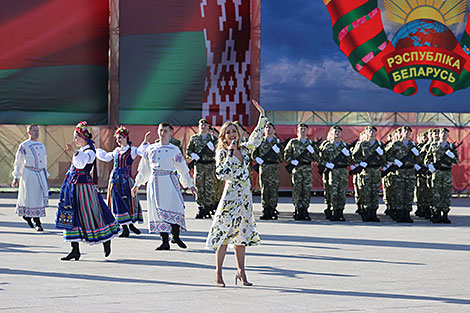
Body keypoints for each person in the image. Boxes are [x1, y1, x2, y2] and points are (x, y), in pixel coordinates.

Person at [206, 99, 267, 287]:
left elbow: (257, 137)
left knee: (242, 235)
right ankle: (218, 272)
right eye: (228, 132)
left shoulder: (246, 149)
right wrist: (231, 154)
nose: (232, 134)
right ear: (223, 136)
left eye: (234, 131)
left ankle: (241, 272)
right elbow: (220, 173)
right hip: (230, 195)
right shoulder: (223, 152)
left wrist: (262, 117)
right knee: (224, 233)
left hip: (245, 197)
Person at [57, 121, 121, 261]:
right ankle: (74, 249)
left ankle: (106, 238)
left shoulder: (90, 152)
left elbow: (82, 163)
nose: (75, 140)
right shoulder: (82, 151)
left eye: (76, 137)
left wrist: (74, 152)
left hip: (84, 188)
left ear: (84, 137)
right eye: (74, 137)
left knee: (92, 214)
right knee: (71, 215)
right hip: (73, 187)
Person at [132, 122, 197, 250]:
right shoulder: (150, 149)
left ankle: (176, 236)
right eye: (161, 130)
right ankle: (164, 241)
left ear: (170, 133)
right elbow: (144, 169)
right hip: (155, 182)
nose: (162, 133)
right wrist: (137, 184)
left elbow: (182, 169)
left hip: (170, 180)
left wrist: (190, 185)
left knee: (177, 207)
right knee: (158, 211)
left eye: (165, 131)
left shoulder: (174, 150)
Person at [96, 126, 150, 237]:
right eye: (117, 138)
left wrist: (145, 141)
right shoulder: (116, 151)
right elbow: (106, 157)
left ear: (125, 137)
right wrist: (94, 150)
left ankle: (130, 225)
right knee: (118, 203)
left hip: (126, 181)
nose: (118, 140)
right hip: (115, 181)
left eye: (120, 138)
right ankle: (126, 228)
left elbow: (141, 151)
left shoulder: (132, 150)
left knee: (128, 203)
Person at [11, 124, 49, 231]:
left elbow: (44, 161)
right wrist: (16, 176)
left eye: (37, 130)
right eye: (34, 131)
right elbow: (18, 162)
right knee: (30, 197)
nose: (36, 133)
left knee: (38, 197)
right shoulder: (24, 145)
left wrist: (45, 174)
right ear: (29, 132)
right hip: (29, 173)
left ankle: (30, 217)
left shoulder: (41, 145)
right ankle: (36, 222)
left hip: (40, 173)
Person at [284, 123, 319, 220]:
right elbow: (286, 155)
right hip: (297, 169)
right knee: (297, 190)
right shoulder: (293, 142)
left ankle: (305, 210)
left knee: (306, 190)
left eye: (304, 129)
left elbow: (317, 158)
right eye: (301, 129)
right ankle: (298, 210)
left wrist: (312, 152)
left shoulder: (311, 143)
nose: (303, 130)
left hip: (307, 169)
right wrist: (292, 161)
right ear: (297, 131)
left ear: (307, 131)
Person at [385, 126, 420, 223]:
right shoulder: (396, 144)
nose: (407, 133)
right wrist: (395, 161)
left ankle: (407, 214)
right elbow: (386, 156)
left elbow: (419, 159)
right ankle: (400, 214)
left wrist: (417, 155)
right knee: (399, 193)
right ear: (401, 133)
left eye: (409, 131)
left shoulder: (413, 145)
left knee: (409, 193)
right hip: (399, 171)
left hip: (410, 171)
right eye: (405, 131)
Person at [424, 128, 458, 223]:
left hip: (447, 173)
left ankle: (445, 215)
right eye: (442, 132)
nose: (443, 134)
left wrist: (452, 156)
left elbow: (456, 161)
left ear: (448, 135)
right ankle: (437, 214)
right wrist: (430, 165)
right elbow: (427, 158)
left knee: (446, 194)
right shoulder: (434, 145)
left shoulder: (451, 146)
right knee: (436, 194)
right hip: (437, 173)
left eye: (445, 133)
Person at [352, 126, 385, 222]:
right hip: (366, 171)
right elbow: (354, 156)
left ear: (376, 132)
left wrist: (381, 154)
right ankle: (366, 213)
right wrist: (361, 162)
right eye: (369, 130)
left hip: (376, 171)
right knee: (366, 192)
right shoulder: (361, 144)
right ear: (366, 132)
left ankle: (373, 213)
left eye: (373, 131)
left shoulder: (379, 144)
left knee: (374, 193)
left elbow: (385, 159)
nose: (371, 132)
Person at [319, 126, 352, 221]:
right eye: (335, 131)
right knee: (332, 192)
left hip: (343, 171)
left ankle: (340, 212)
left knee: (342, 192)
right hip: (332, 172)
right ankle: (333, 211)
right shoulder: (326, 145)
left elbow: (351, 161)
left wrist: (348, 155)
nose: (337, 133)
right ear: (331, 133)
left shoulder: (345, 145)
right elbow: (320, 159)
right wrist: (327, 164)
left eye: (339, 131)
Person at [186, 119, 218, 219]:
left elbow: (220, 152)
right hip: (199, 166)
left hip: (210, 166)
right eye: (201, 125)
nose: (203, 126)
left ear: (208, 127)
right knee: (199, 187)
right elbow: (188, 151)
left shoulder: (213, 139)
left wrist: (214, 150)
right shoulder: (194, 138)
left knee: (209, 187)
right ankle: (201, 208)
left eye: (205, 124)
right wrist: (193, 155)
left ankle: (208, 208)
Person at [253, 122, 284, 220]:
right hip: (264, 167)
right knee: (264, 189)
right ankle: (265, 209)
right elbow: (253, 153)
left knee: (273, 189)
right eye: (266, 127)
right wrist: (257, 159)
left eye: (270, 127)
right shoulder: (260, 141)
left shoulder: (278, 143)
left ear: (274, 130)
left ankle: (272, 209)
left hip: (274, 167)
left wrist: (278, 152)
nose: (268, 129)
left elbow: (282, 158)